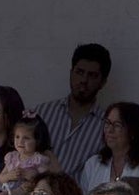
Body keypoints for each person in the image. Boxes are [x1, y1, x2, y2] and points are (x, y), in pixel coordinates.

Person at [33, 43, 112, 180]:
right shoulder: (43, 113)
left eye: (92, 75)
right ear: (71, 73)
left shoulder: (107, 126)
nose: (83, 80)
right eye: (79, 72)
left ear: (103, 82)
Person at [79, 102, 139, 194]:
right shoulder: (93, 164)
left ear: (133, 131)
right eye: (107, 123)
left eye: (117, 125)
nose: (109, 130)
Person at [0, 113, 53, 195]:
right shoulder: (12, 157)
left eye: (26, 138)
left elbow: (46, 180)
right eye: (17, 137)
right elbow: (0, 178)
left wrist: (30, 175)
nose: (20, 141)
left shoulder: (37, 159)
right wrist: (9, 176)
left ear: (37, 141)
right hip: (8, 193)